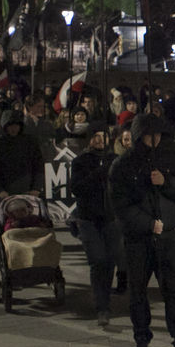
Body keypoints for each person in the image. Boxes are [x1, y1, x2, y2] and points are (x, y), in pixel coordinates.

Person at [110, 113, 175, 347]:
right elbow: (120, 206)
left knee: (174, 289)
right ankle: (142, 338)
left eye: (158, 134)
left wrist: (165, 182)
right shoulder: (122, 165)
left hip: (167, 238)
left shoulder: (171, 158)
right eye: (149, 135)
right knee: (138, 291)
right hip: (138, 240)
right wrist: (148, 224)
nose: (155, 139)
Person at [70, 121, 123, 326]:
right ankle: (101, 306)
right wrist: (97, 175)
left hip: (110, 217)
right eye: (96, 137)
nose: (100, 141)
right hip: (88, 219)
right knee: (97, 259)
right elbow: (77, 188)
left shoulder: (114, 159)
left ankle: (105, 301)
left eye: (103, 136)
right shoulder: (81, 161)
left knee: (110, 260)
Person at [0, 110, 44, 200]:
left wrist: (36, 188)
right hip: (4, 193)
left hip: (28, 192)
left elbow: (39, 166)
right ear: (5, 126)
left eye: (16, 125)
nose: (14, 128)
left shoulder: (30, 142)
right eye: (10, 125)